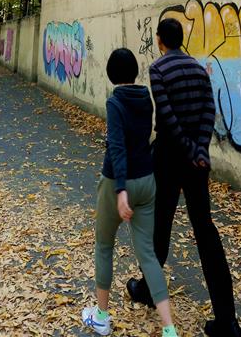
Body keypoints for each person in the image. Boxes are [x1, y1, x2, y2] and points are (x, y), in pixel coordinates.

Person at [126, 17, 241, 337]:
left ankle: (148, 290)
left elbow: (166, 117)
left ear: (161, 40)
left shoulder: (158, 69)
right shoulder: (198, 68)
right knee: (205, 232)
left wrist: (189, 149)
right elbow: (209, 111)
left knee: (159, 225)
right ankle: (227, 321)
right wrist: (200, 151)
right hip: (196, 164)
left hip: (169, 158)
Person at [82, 47, 179, 337]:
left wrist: (121, 190)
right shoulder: (145, 98)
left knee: (104, 246)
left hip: (117, 183)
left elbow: (117, 148)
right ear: (134, 71)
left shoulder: (115, 102)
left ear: (112, 73)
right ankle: (169, 329)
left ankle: (101, 317)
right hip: (147, 181)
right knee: (147, 255)